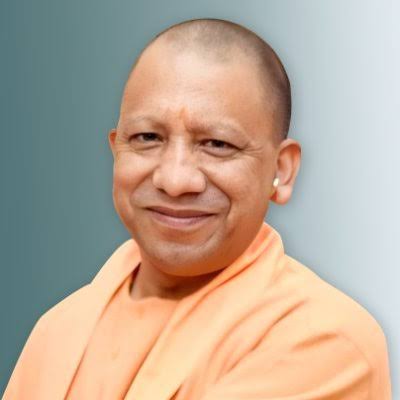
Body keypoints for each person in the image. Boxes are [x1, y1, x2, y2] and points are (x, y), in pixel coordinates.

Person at [2, 17, 392, 400]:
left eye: (217, 144)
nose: (175, 180)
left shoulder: (326, 338)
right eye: (147, 137)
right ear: (116, 151)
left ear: (281, 170)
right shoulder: (57, 332)